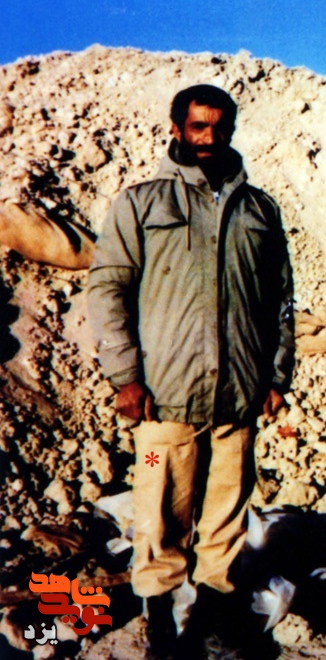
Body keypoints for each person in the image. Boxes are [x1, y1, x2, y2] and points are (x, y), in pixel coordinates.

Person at [87, 84, 294, 658]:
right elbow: (107, 289)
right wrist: (125, 375)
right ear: (176, 128)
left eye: (219, 127)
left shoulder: (259, 209)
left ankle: (213, 618)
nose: (209, 137)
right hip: (163, 404)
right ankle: (158, 620)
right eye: (198, 126)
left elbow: (280, 301)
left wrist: (276, 377)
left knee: (226, 513)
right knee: (158, 509)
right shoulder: (141, 203)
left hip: (238, 401)